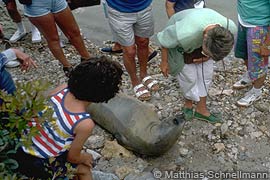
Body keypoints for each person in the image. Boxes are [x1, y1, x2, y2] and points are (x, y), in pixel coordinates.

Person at [4, 56, 123, 179]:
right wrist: (85, 157)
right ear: (106, 94)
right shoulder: (84, 123)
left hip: (20, 147)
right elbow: (73, 157)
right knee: (84, 170)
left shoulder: (62, 89)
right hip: (39, 163)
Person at [157, 8, 236, 123]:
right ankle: (188, 104)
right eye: (207, 53)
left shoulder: (230, 28)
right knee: (189, 78)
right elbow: (164, 41)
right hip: (179, 43)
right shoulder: (184, 33)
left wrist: (207, 57)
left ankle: (201, 109)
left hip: (203, 40)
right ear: (203, 40)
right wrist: (164, 62)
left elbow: (217, 49)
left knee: (206, 75)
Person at [103, 0, 159, 101]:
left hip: (144, 6)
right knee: (129, 50)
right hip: (119, 10)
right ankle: (134, 80)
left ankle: (144, 73)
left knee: (143, 42)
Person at [22, 0, 91, 77]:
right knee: (53, 38)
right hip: (36, 5)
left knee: (74, 32)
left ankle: (87, 59)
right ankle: (67, 67)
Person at [232, 0, 270, 107]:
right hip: (243, 20)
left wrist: (268, 44)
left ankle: (257, 91)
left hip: (260, 25)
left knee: (258, 62)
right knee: (243, 53)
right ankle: (250, 75)